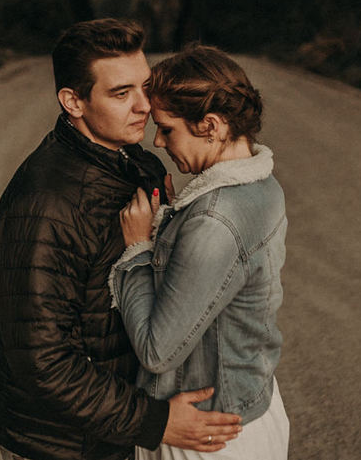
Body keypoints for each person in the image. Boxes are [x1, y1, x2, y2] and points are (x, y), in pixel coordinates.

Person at [0, 19, 244, 460]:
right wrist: (156, 422)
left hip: (116, 431)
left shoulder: (138, 165)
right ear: (73, 101)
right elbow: (42, 361)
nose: (144, 106)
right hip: (61, 446)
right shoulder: (46, 205)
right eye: (121, 93)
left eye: (146, 87)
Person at [110, 45, 289, 460]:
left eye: (167, 129)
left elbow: (157, 351)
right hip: (250, 411)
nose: (157, 141)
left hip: (207, 435)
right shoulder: (262, 185)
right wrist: (176, 221)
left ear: (210, 126)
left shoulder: (214, 220)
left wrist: (137, 249)